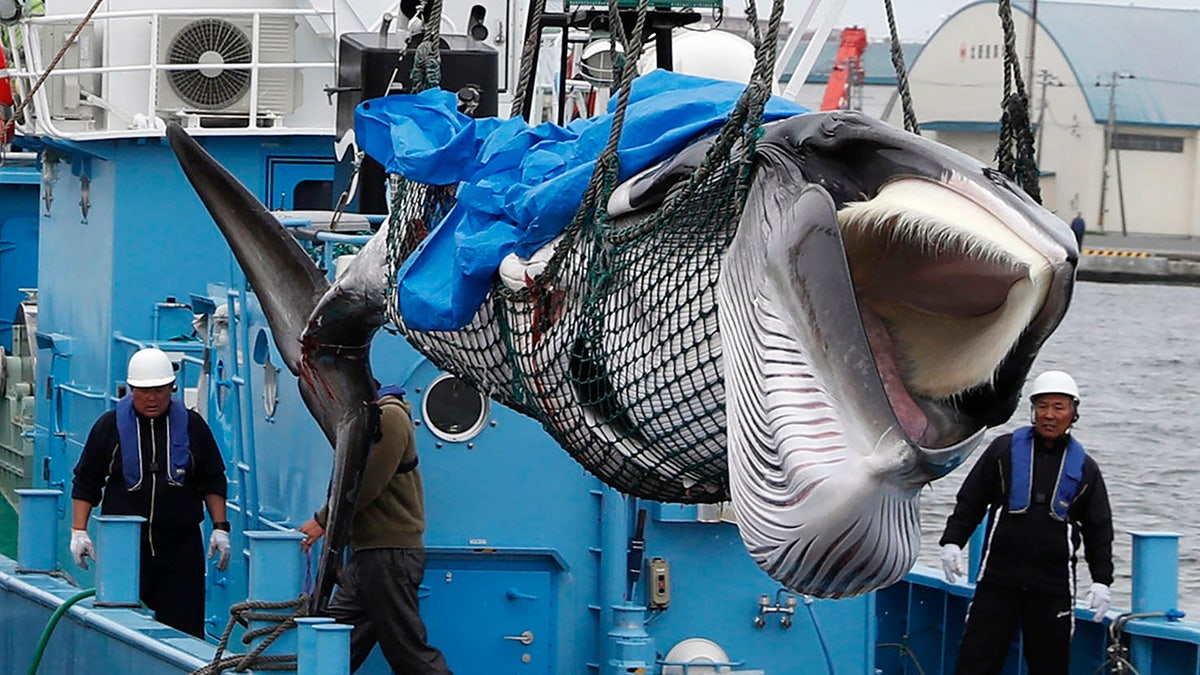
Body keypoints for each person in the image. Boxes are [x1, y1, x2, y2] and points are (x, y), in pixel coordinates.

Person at [939, 370, 1113, 675]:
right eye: (1042, 406)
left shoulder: (1086, 468)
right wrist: (953, 541)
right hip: (997, 579)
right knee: (976, 661)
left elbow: (1099, 528)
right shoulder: (1003, 451)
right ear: (1032, 410)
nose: (1049, 415)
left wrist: (1101, 579)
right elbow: (972, 499)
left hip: (1053, 586)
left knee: (1050, 666)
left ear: (1073, 413)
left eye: (1059, 407)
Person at [69, 347, 231, 638]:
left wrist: (220, 529)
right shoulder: (109, 427)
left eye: (159, 390)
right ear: (131, 390)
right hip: (126, 549)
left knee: (184, 631)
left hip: (180, 547)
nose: (152, 398)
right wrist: (78, 531)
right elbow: (86, 480)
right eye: (144, 391)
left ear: (172, 388)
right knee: (121, 627)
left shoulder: (193, 427)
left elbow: (212, 478)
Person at [299, 385, 451, 674]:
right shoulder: (371, 419)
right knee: (334, 639)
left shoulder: (390, 417)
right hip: (370, 555)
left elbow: (366, 481)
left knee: (408, 650)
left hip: (389, 554)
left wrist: (324, 520)